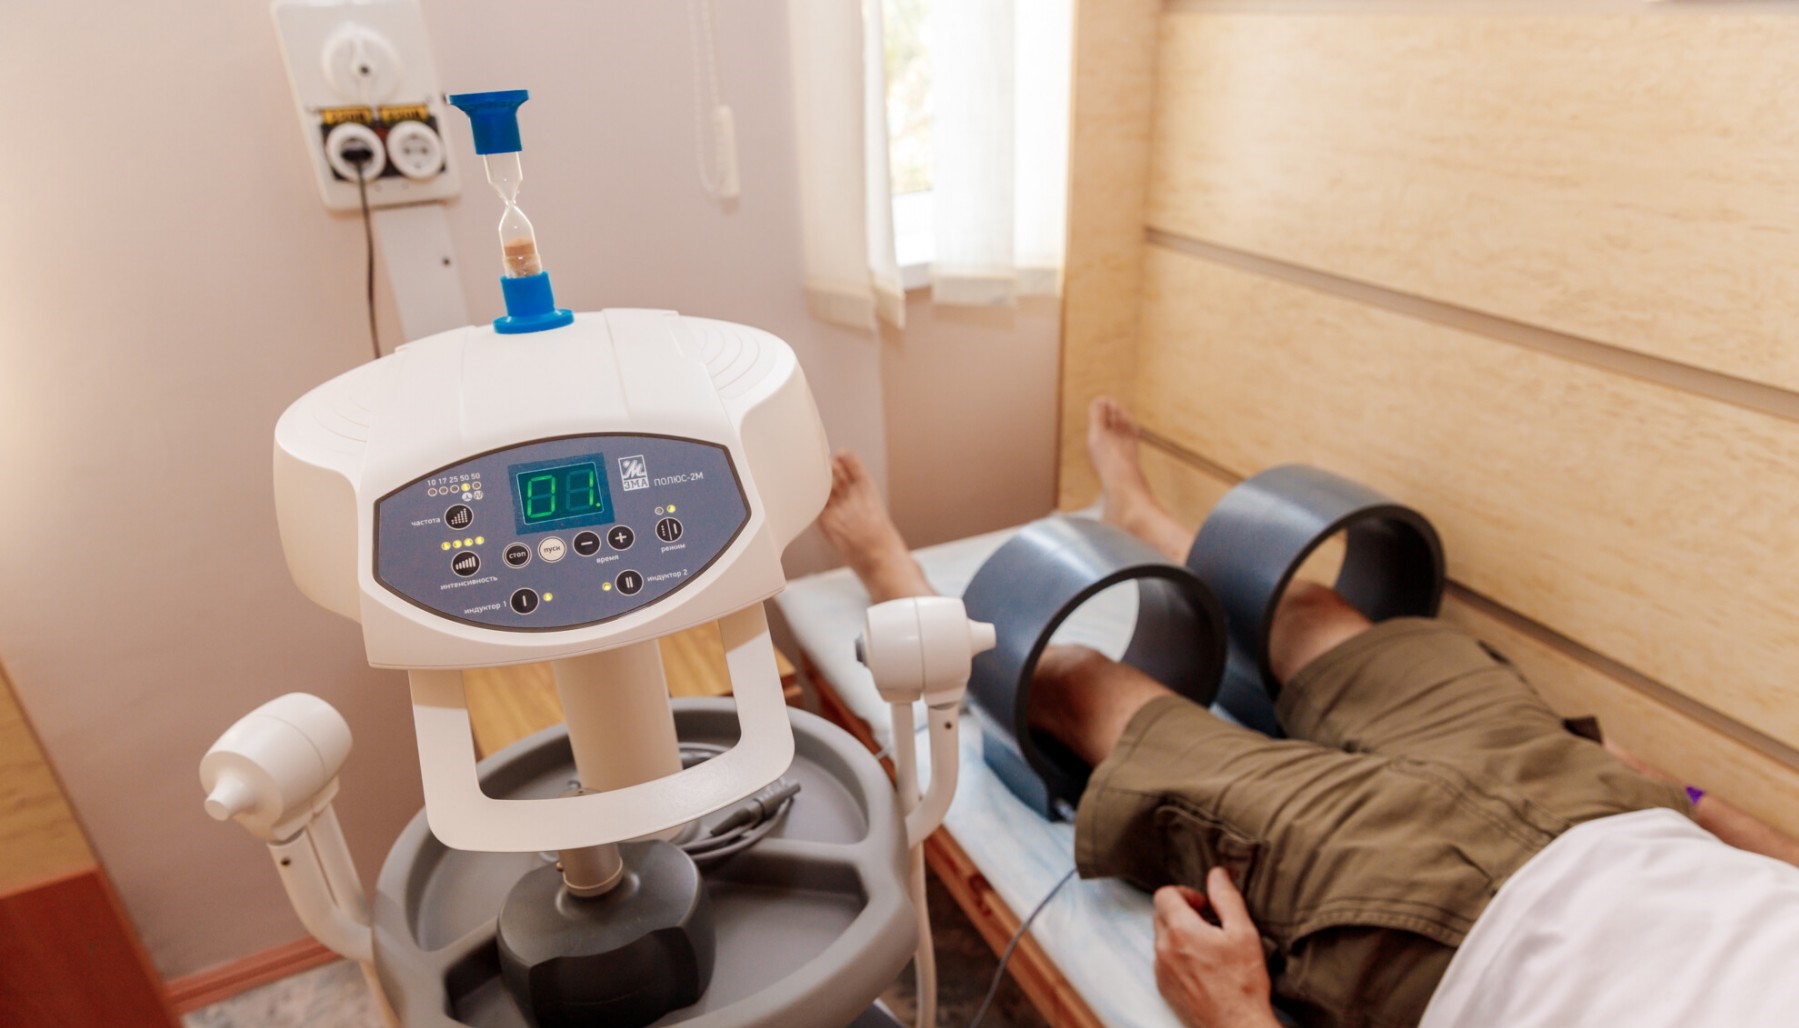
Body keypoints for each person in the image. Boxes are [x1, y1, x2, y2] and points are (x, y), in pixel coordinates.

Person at [817, 398, 1799, 1028]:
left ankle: (902, 585)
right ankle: (1145, 519)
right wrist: (1696, 802)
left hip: (1427, 929)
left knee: (1078, 679)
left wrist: (1239, 1016)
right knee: (1317, 611)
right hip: (1599, 802)